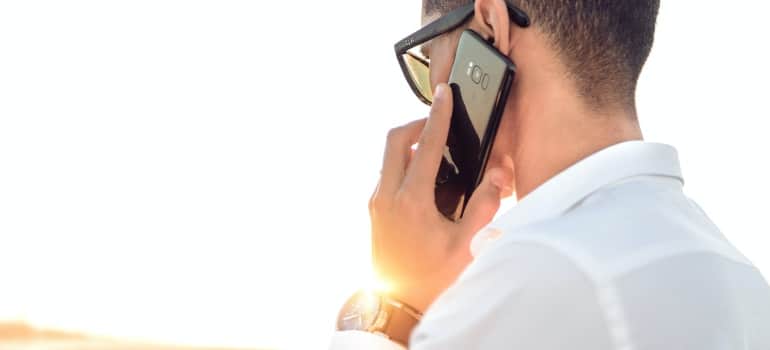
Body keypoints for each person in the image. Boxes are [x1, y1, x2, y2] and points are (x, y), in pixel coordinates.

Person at [330, 0, 770, 349]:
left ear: (489, 29)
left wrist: (396, 308)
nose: (431, 102)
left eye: (430, 60)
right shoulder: (743, 279)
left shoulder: (536, 279)